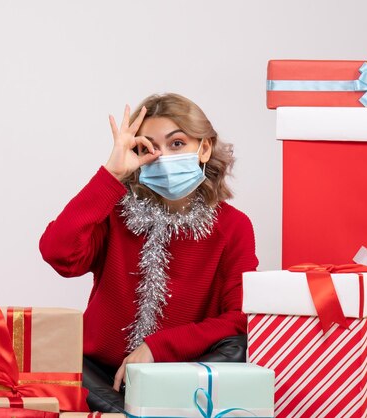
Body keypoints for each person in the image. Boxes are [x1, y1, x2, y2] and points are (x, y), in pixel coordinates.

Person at [39, 93, 258, 412]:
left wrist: (157, 348)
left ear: (204, 148)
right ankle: (134, 409)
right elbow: (58, 253)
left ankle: (135, 410)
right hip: (100, 375)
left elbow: (240, 321)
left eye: (177, 144)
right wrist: (110, 176)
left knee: (240, 346)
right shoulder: (114, 213)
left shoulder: (233, 226)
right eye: (147, 148)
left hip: (184, 374)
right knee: (52, 359)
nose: (163, 157)